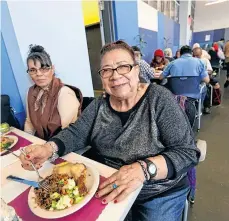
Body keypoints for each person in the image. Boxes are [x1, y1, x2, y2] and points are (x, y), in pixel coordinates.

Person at [19, 40, 200, 221]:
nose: (115, 76)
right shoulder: (99, 105)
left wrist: (144, 169)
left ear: (137, 70)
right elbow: (76, 133)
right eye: (106, 70)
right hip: (108, 182)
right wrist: (48, 149)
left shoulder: (159, 99)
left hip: (158, 191)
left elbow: (187, 152)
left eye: (123, 67)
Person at [24, 45, 81, 140]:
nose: (38, 74)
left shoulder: (64, 93)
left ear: (52, 69)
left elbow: (69, 134)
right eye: (33, 70)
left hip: (64, 146)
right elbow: (29, 123)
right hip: (41, 144)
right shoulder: (30, 92)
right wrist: (27, 143)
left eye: (43, 68)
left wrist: (47, 149)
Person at [161, 46, 210, 110]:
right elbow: (207, 80)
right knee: (204, 88)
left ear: (180, 54)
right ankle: (197, 109)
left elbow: (161, 77)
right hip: (194, 93)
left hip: (176, 93)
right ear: (192, 53)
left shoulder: (172, 63)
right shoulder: (200, 62)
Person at [193, 47, 220, 113]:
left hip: (203, 79)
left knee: (206, 88)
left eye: (198, 55)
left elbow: (210, 71)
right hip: (194, 80)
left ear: (201, 54)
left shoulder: (205, 61)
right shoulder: (191, 62)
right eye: (195, 55)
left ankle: (206, 106)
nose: (196, 57)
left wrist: (204, 72)